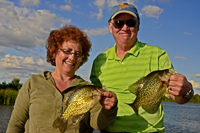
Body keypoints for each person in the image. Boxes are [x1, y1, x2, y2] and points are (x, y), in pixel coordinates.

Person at [90, 3, 194, 133]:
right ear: (110, 27)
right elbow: (94, 103)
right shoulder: (99, 61)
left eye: (131, 22)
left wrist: (186, 90)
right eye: (118, 23)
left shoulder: (157, 55)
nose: (125, 27)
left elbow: (177, 97)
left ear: (138, 25)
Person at [6, 25, 118, 133]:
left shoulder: (87, 89)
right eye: (67, 51)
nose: (72, 57)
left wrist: (109, 109)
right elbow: (16, 123)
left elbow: (97, 124)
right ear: (54, 52)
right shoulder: (33, 83)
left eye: (78, 54)